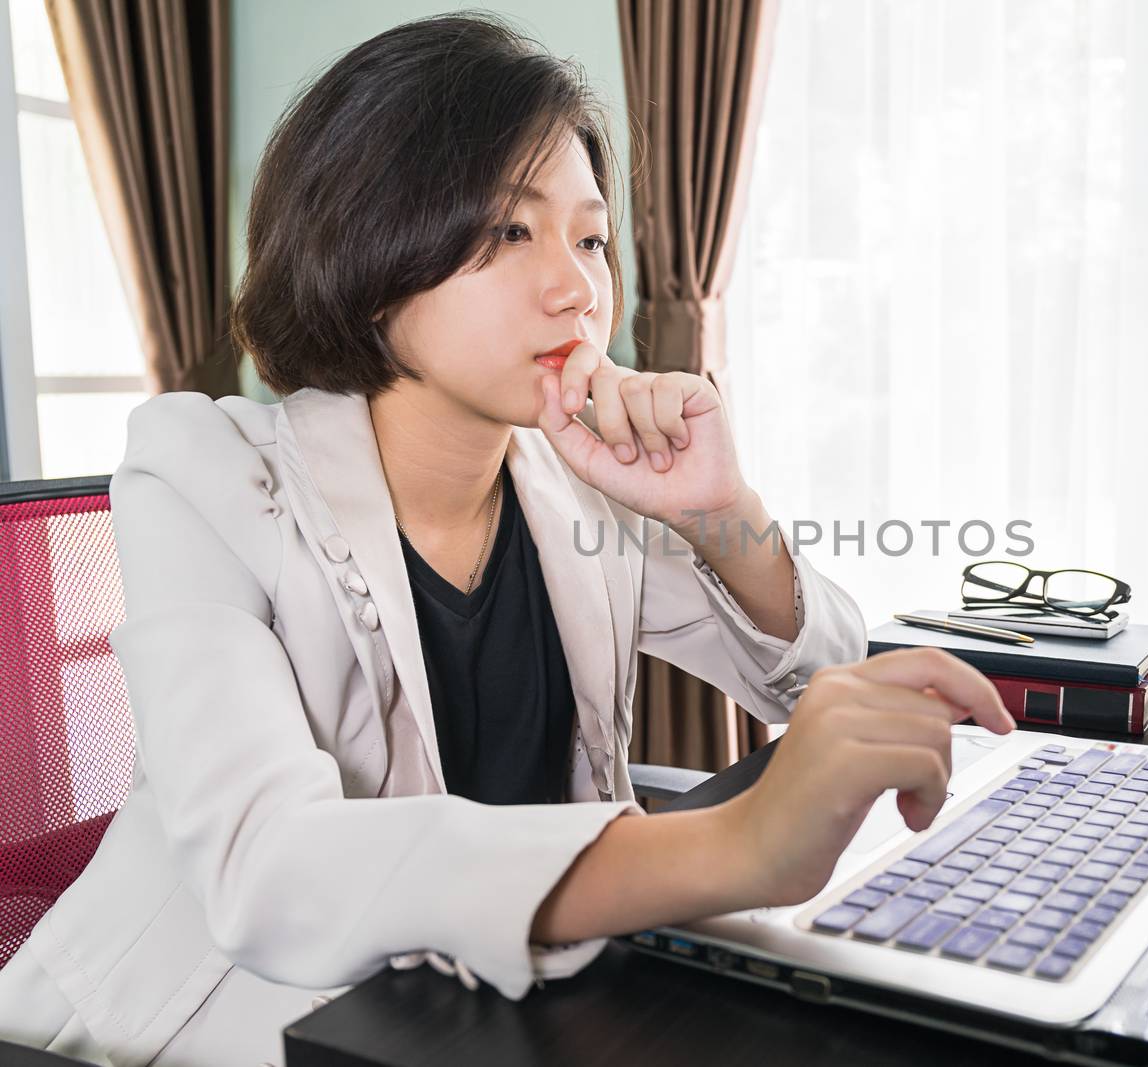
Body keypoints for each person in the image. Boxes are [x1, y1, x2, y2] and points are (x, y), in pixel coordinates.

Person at [0, 14, 1012, 1065]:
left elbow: (820, 688)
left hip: (486, 1011)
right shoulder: (202, 470)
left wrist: (718, 506)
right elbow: (270, 867)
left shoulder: (573, 487)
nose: (577, 287)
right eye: (509, 232)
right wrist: (729, 846)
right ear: (368, 243)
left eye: (590, 236)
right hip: (207, 1026)